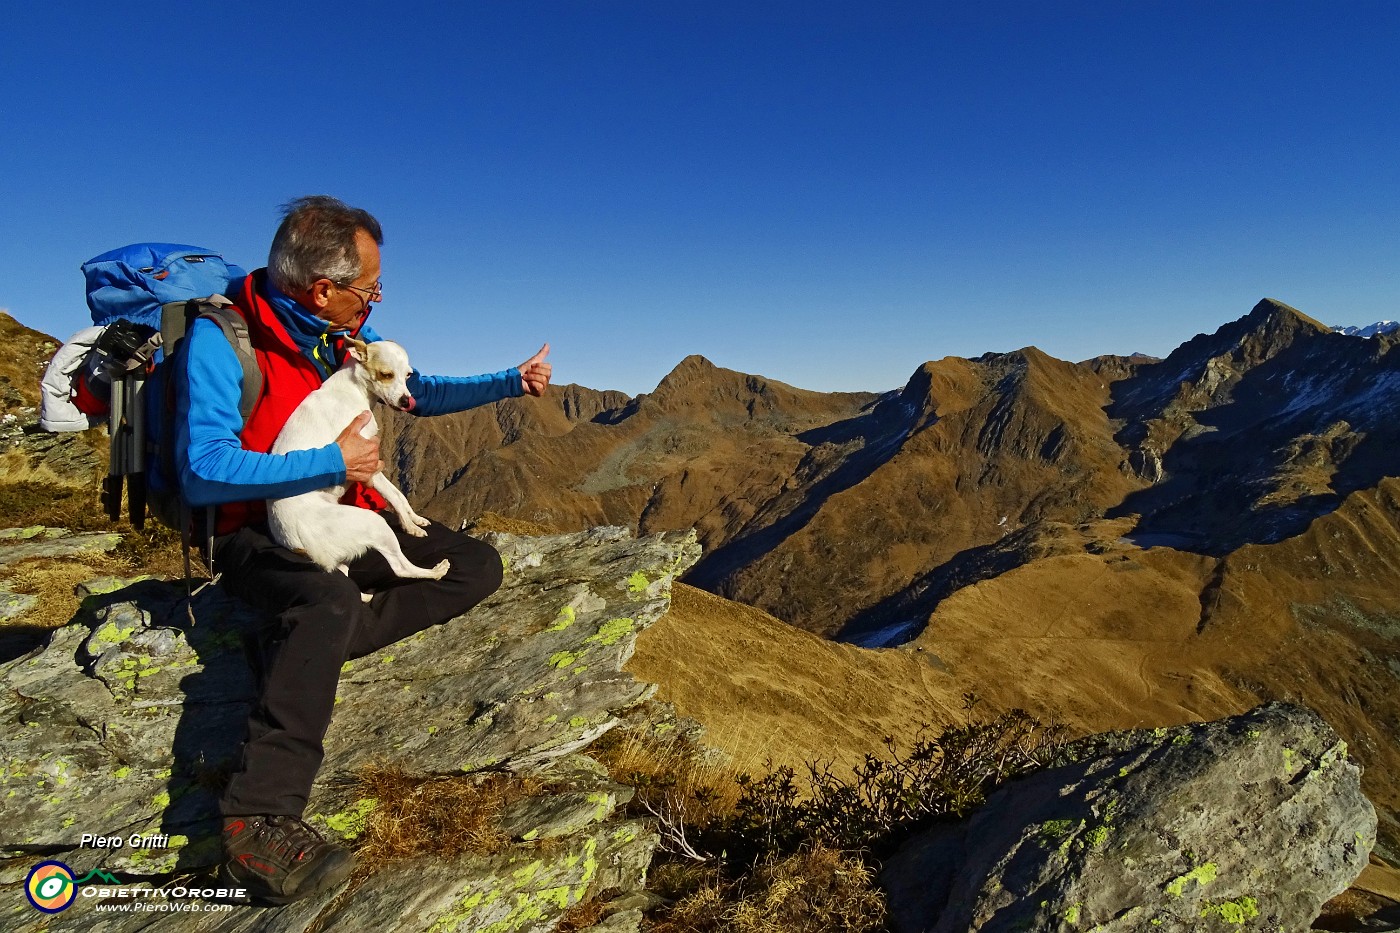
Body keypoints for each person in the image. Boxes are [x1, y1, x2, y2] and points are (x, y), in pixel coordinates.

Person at [175, 195, 551, 905]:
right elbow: (203, 470)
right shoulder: (222, 341)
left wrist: (512, 380)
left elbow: (414, 393)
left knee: (475, 565)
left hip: (342, 509)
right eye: (370, 287)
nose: (377, 299)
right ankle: (256, 820)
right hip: (252, 532)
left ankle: (296, 648)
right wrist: (327, 463)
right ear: (323, 288)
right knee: (327, 599)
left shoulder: (339, 337)